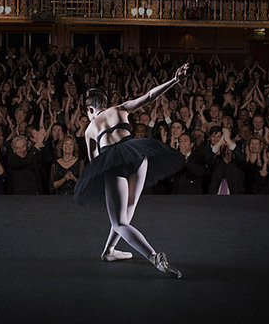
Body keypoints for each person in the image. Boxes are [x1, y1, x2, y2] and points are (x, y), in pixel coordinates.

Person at [74, 64, 189, 279]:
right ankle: (108, 251)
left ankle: (154, 257)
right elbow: (149, 96)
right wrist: (175, 80)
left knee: (119, 221)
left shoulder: (90, 129)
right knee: (127, 212)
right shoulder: (119, 109)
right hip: (137, 155)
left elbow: (96, 163)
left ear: (90, 110)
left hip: (114, 163)